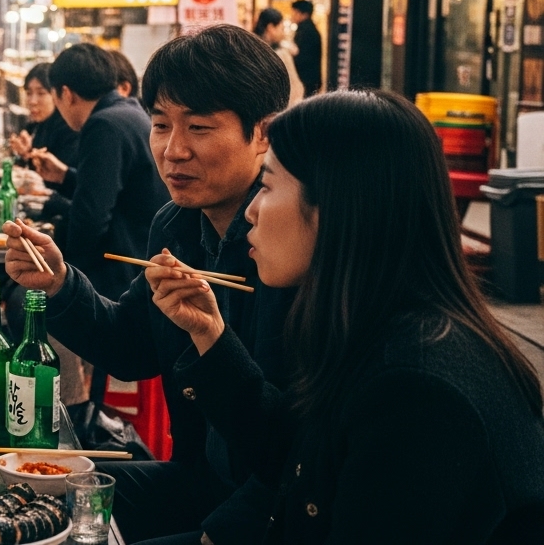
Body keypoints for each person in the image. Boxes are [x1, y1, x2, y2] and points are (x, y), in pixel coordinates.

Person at [149, 89, 544, 543]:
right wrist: (210, 335)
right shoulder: (376, 325)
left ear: (335, 208)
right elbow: (296, 460)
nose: (252, 210)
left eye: (268, 185)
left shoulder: (417, 388)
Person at [5, 25, 293, 545]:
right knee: (21, 502)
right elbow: (130, 347)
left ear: (263, 133)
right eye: (161, 125)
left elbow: (291, 449)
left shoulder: (289, 243)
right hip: (198, 478)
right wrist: (61, 285)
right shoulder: (177, 226)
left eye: (199, 128)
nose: (173, 150)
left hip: (268, 503)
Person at [27, 44, 169, 297]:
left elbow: (91, 218)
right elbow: (112, 190)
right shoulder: (129, 111)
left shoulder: (103, 125)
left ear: (66, 94)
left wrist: (67, 281)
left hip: (123, 271)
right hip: (144, 254)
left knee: (24, 301)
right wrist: (63, 176)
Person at [10, 63, 80, 219]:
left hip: (63, 214)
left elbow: (62, 183)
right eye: (28, 93)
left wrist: (30, 157)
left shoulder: (69, 128)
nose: (32, 101)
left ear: (56, 95)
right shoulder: (33, 127)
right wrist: (23, 155)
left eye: (41, 93)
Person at [254, 8, 304, 105]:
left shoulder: (251, 48)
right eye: (281, 28)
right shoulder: (281, 54)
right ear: (271, 28)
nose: (283, 33)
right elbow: (295, 88)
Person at [288, 0, 322, 96]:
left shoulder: (306, 31)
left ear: (303, 14)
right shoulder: (308, 28)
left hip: (306, 79)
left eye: (294, 12)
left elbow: (303, 57)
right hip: (310, 78)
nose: (292, 15)